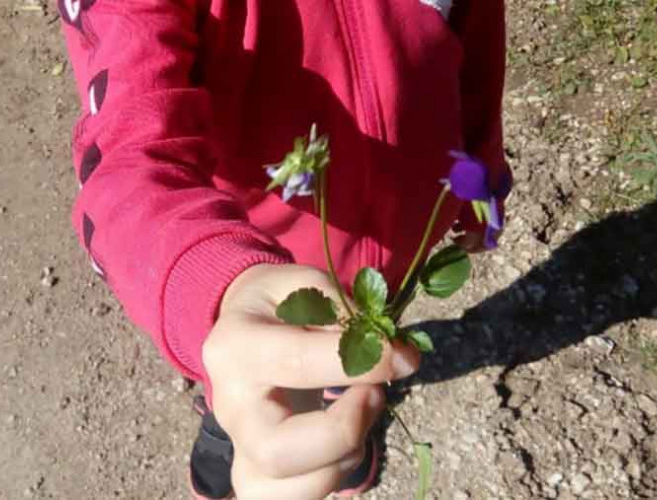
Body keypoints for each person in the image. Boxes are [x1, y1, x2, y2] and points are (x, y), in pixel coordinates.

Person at [58, 0, 510, 498]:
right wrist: (217, 289)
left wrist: (481, 182)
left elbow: (477, 47)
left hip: (404, 229)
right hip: (264, 261)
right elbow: (127, 160)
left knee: (364, 341)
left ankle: (346, 403)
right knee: (264, 357)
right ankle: (228, 414)